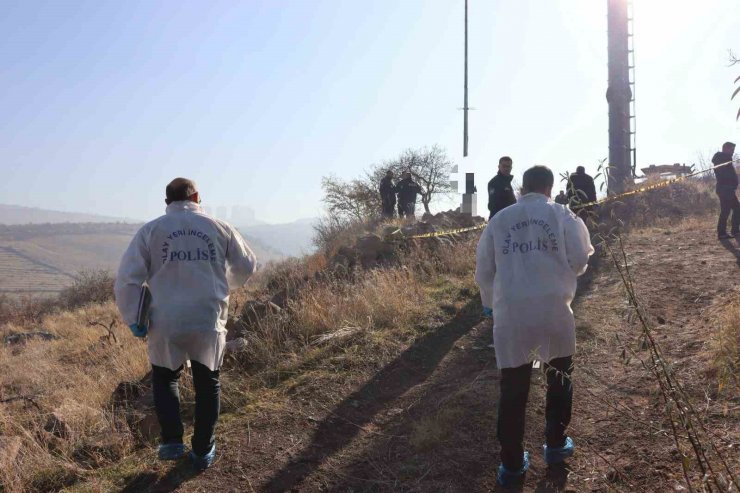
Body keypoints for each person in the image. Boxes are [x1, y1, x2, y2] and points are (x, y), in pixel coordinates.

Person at [114, 178, 257, 470]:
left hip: (165, 318)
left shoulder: (151, 231)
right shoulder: (220, 227)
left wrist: (133, 318)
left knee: (166, 376)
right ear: (197, 196)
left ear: (167, 203)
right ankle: (203, 449)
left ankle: (171, 441)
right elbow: (247, 265)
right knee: (208, 382)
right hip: (208, 316)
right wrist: (225, 287)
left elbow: (127, 279)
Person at [475, 165, 594, 487]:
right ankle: (555, 445)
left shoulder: (499, 221)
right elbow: (581, 259)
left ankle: (512, 465)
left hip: (512, 315)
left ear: (521, 188)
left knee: (513, 389)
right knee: (559, 377)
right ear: (549, 189)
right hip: (554, 310)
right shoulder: (564, 216)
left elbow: (484, 271)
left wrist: (490, 305)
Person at [712, 142, 739, 239]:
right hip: (724, 189)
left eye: (733, 150)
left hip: (728, 189)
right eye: (731, 150)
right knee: (731, 209)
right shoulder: (720, 158)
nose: (732, 152)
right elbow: (723, 173)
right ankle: (728, 232)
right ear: (726, 149)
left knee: (730, 210)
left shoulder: (727, 160)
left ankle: (727, 232)